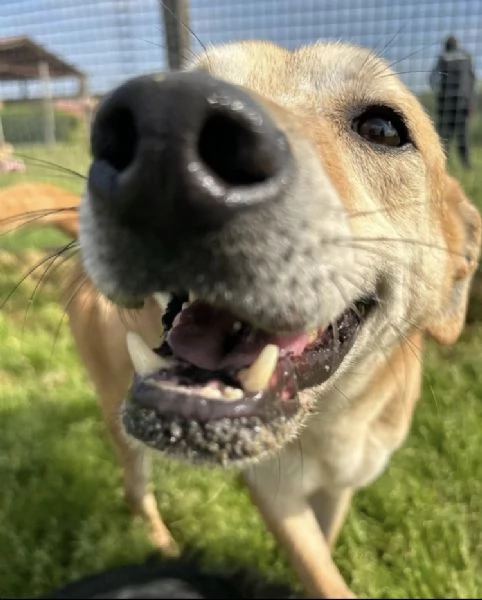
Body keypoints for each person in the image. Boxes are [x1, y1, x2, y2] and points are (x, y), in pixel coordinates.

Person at [430, 35, 476, 169]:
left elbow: (432, 78)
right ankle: (466, 165)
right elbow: (472, 80)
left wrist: (437, 89)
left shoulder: (443, 57)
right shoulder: (466, 57)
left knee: (444, 136)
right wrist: (472, 101)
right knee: (463, 135)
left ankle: (441, 165)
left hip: (446, 102)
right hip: (463, 101)